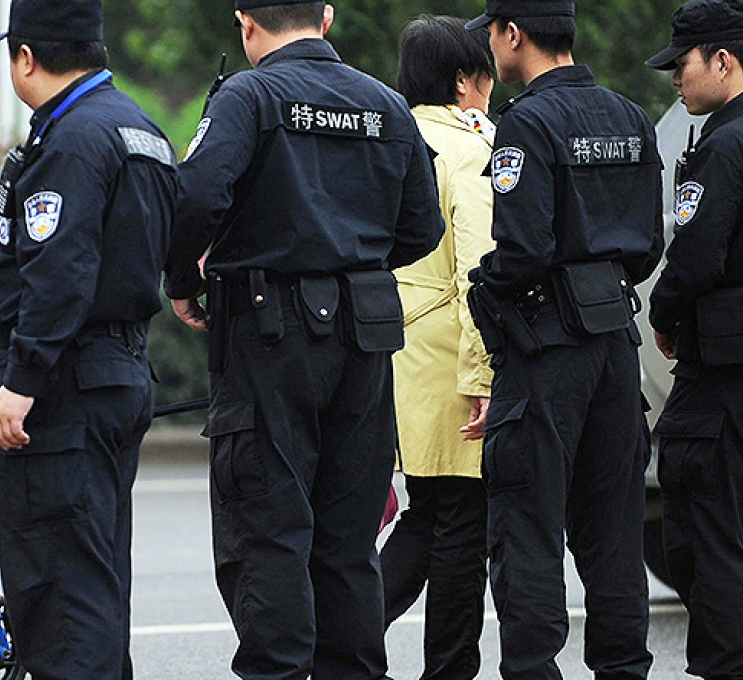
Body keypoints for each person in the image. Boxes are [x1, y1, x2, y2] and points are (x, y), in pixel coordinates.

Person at [165, 1, 444, 677]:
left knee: (268, 528)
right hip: (366, 335)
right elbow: (422, 229)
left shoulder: (249, 96)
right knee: (348, 538)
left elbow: (195, 197)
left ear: (245, 22)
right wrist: (352, 258)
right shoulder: (385, 104)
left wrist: (184, 278)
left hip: (270, 331)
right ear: (326, 17)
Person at [462, 1, 666, 677]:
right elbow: (646, 247)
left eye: (492, 34)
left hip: (545, 346)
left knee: (525, 527)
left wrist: (484, 286)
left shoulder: (527, 121)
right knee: (613, 532)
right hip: (614, 343)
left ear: (512, 34)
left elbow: (521, 250)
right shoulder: (631, 116)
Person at [0, 0, 177, 677]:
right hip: (117, 372)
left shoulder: (70, 140)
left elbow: (60, 276)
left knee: (60, 592)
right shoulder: (139, 128)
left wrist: (21, 380)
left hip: (62, 385)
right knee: (95, 579)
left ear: (26, 57)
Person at [377, 15, 495, 680]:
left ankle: (343, 638)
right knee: (459, 525)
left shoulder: (385, 139)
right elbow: (477, 273)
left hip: (388, 353)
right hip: (449, 357)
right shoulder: (471, 151)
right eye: (483, 75)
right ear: (462, 80)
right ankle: (448, 669)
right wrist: (481, 373)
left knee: (428, 513)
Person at [646, 1, 743, 676]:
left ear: (721, 60)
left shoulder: (721, 146)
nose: (675, 81)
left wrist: (665, 314)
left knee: (708, 538)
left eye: (681, 66)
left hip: (722, 371)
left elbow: (696, 253)